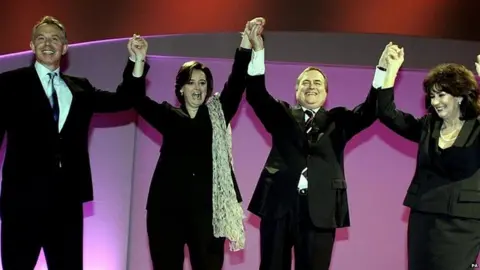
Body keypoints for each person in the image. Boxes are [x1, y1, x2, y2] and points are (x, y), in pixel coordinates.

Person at [0, 16, 148, 269]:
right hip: (21, 203)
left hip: (66, 204)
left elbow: (124, 100)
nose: (48, 44)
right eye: (41, 39)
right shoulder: (9, 83)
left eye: (55, 39)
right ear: (32, 46)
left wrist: (137, 61)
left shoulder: (80, 88)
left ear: (65, 47)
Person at [245, 40, 395, 269]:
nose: (311, 87)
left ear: (325, 93)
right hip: (278, 205)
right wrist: (257, 51)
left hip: (321, 208)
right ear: (296, 91)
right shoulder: (282, 115)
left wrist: (382, 70)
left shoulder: (339, 120)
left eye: (317, 83)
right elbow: (256, 95)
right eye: (305, 82)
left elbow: (368, 111)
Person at [133, 18, 265, 269]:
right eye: (191, 82)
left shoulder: (217, 114)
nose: (197, 88)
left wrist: (245, 43)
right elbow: (136, 99)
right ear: (181, 89)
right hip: (166, 210)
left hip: (208, 212)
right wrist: (139, 61)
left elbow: (236, 84)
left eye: (202, 83)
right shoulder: (168, 115)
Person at [376, 44, 480, 270]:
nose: (435, 102)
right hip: (423, 216)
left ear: (460, 97)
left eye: (442, 95)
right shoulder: (428, 126)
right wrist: (388, 71)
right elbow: (386, 113)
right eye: (432, 96)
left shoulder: (477, 128)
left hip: (462, 223)